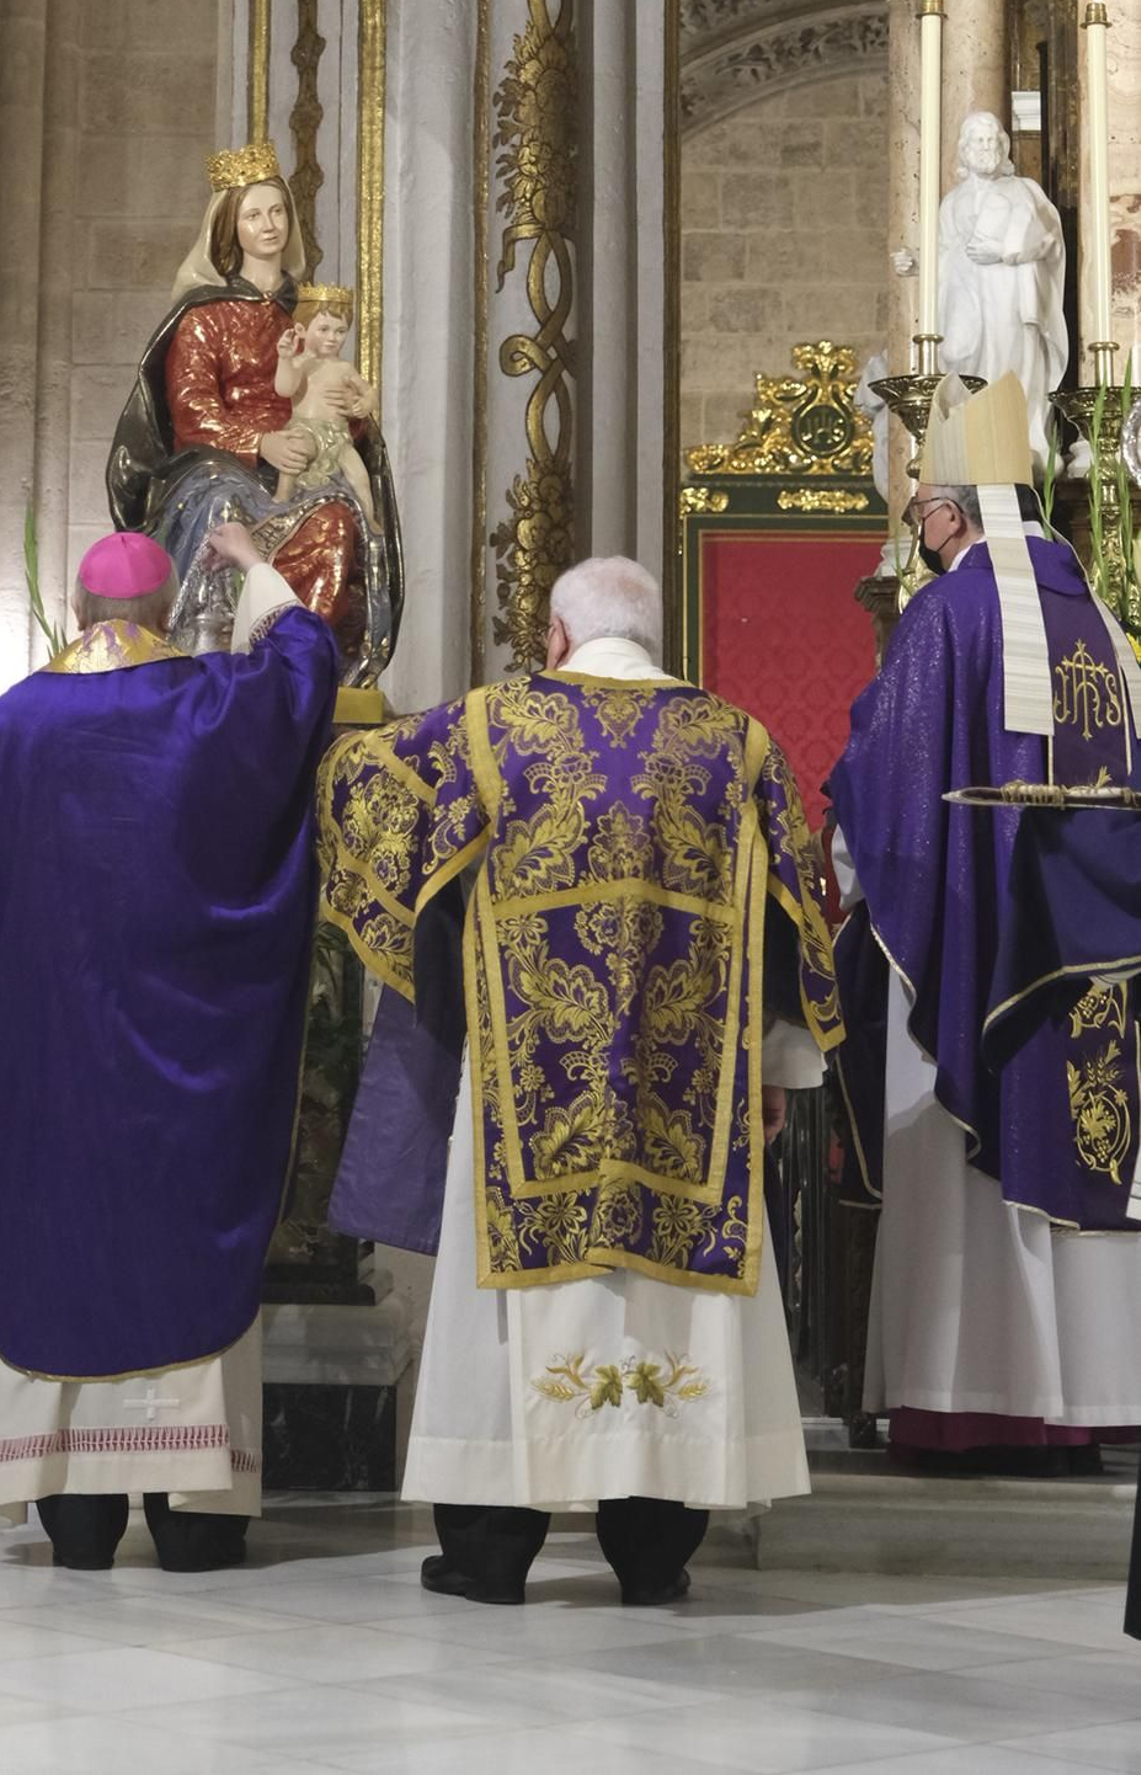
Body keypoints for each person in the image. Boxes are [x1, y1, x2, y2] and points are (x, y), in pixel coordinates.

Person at [320, 554, 842, 1608]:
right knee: (669, 1304)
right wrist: (778, 1070)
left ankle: (488, 1552)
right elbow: (799, 919)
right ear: (654, 639)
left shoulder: (486, 725)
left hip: (524, 1093)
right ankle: (653, 1554)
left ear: (555, 638)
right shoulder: (735, 743)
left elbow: (355, 779)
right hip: (690, 1110)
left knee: (505, 1315)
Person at [0, 521, 338, 1574]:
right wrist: (250, 567)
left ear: (76, 610)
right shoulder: (206, 706)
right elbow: (304, 671)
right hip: (188, 1063)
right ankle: (195, 1517)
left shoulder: (14, 723)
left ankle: (78, 1518)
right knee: (179, 1239)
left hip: (58, 1063)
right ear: (162, 614)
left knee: (67, 1245)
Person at [829, 373, 1141, 1469]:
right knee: (1088, 1135)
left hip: (973, 951)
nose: (914, 525)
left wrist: (843, 842)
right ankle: (1086, 1402)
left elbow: (887, 780)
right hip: (1094, 965)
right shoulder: (1099, 621)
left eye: (916, 506)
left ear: (951, 513)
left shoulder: (947, 612)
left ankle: (971, 1399)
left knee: (971, 1150)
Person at [107, 139, 401, 681]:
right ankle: (213, 660)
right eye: (253, 214)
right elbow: (193, 409)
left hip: (308, 460)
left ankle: (301, 673)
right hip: (222, 465)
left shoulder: (309, 310)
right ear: (229, 228)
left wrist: (350, 411)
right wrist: (261, 442)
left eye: (277, 211)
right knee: (224, 508)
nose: (269, 225)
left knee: (339, 520)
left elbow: (333, 396)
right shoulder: (206, 316)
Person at [934, 111, 1066, 473]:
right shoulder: (952, 202)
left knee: (1010, 370)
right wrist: (915, 264)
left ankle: (1013, 444)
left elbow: (1048, 239)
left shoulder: (1023, 190)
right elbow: (941, 253)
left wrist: (1006, 253)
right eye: (979, 140)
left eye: (993, 140)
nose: (987, 146)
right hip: (966, 302)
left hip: (1008, 299)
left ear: (1004, 146)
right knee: (960, 360)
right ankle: (972, 442)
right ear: (964, 149)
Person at [273, 285, 380, 521]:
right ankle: (281, 498)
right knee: (295, 450)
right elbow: (284, 388)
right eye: (324, 329)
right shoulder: (300, 363)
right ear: (301, 329)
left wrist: (365, 403)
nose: (332, 338)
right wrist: (284, 359)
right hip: (306, 428)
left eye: (340, 331)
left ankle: (369, 522)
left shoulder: (344, 368)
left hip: (339, 437)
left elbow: (369, 391)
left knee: (360, 476)